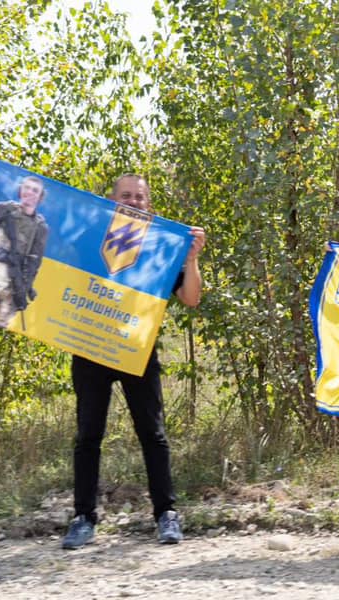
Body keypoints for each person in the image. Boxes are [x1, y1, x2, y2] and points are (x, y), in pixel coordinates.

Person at [62, 174, 206, 549]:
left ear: (149, 205)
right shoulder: (89, 237)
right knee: (88, 436)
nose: (133, 202)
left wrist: (191, 259)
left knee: (153, 435)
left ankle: (166, 515)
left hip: (137, 349)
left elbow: (190, 298)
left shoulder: (163, 245)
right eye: (126, 196)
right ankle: (83, 518)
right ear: (112, 202)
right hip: (91, 346)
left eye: (140, 197)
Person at [0, 176, 49, 328]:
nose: (30, 192)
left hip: (12, 281)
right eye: (27, 187)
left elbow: (34, 262)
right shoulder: (3, 209)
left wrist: (25, 287)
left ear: (40, 197)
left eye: (35, 190)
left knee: (0, 326)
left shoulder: (40, 227)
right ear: (20, 190)